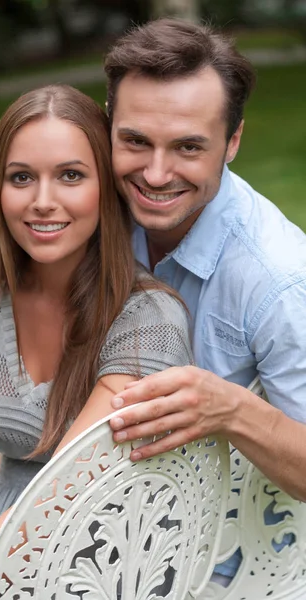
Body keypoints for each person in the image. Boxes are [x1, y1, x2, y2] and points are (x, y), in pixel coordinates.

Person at [0, 84, 193, 598]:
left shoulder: (147, 317)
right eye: (21, 178)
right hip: (0, 523)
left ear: (105, 188)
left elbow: (67, 491)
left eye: (70, 176)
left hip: (102, 551)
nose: (42, 202)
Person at [103, 17, 306, 584]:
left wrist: (232, 409)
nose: (156, 173)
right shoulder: (91, 209)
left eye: (189, 146)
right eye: (135, 140)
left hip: (223, 563)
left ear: (233, 141)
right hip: (97, 521)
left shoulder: (281, 279)